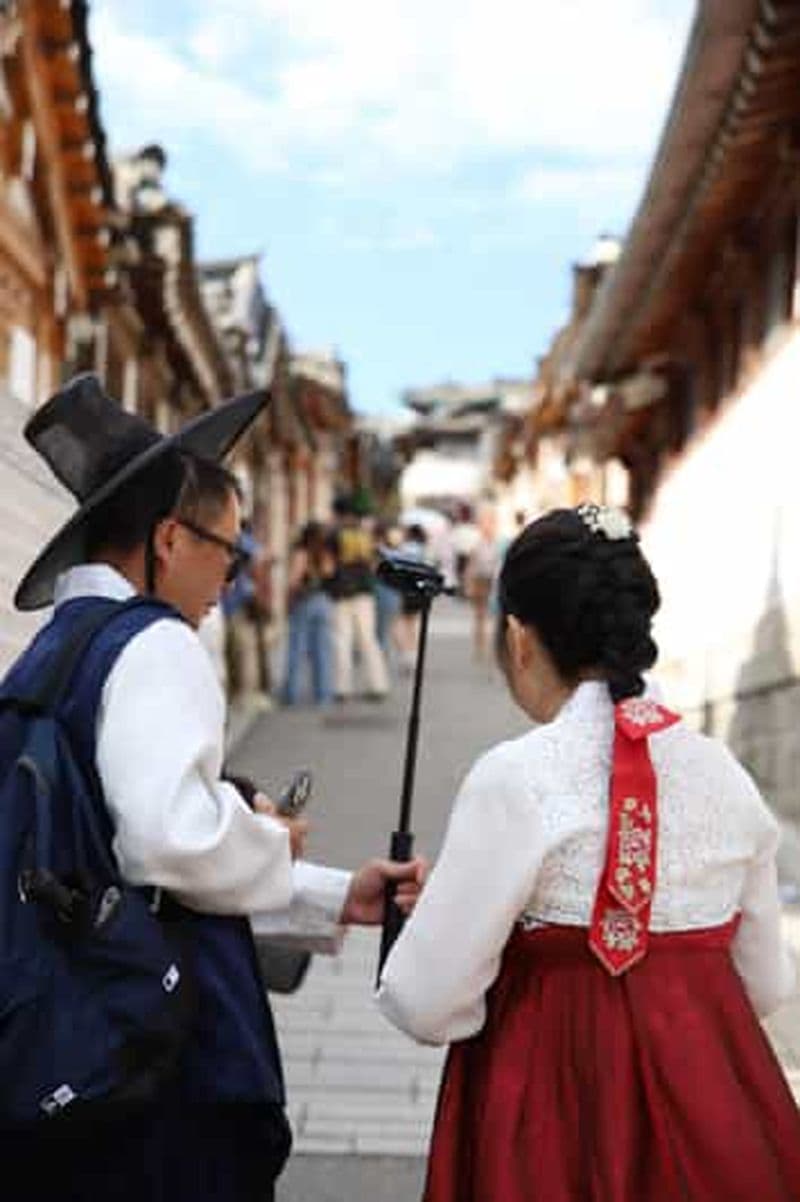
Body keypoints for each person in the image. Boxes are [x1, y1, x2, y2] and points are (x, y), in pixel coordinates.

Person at [4, 373, 425, 1202]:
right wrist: (272, 837)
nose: (232, 575)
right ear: (169, 540)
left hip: (64, 1017)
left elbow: (107, 857)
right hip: (150, 1040)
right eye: (227, 550)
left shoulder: (53, 652)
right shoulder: (154, 644)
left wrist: (333, 897)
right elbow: (170, 846)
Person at [378, 503, 800, 1202]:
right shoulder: (724, 773)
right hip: (713, 1120)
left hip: (549, 1118)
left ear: (518, 637)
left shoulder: (515, 777)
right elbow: (765, 984)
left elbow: (426, 1002)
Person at [327, 493, 389, 701]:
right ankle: (378, 685)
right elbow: (374, 562)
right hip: (364, 592)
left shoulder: (334, 535)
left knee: (341, 640)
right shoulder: (364, 534)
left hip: (341, 593)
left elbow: (328, 566)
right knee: (368, 640)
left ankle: (341, 688)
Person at [281, 519, 335, 706]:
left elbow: (294, 581)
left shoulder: (301, 553)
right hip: (324, 601)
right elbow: (330, 573)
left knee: (296, 648)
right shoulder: (324, 553)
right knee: (322, 650)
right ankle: (323, 694)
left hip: (304, 601)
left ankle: (291, 694)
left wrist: (288, 600)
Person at [463, 504, 502, 662]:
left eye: (491, 522)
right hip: (480, 581)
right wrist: (469, 584)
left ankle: (493, 649)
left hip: (494, 581)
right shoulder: (477, 544)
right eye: (485, 522)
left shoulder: (498, 543)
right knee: (479, 617)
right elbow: (470, 566)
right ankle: (480, 648)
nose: (488, 526)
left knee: (496, 618)